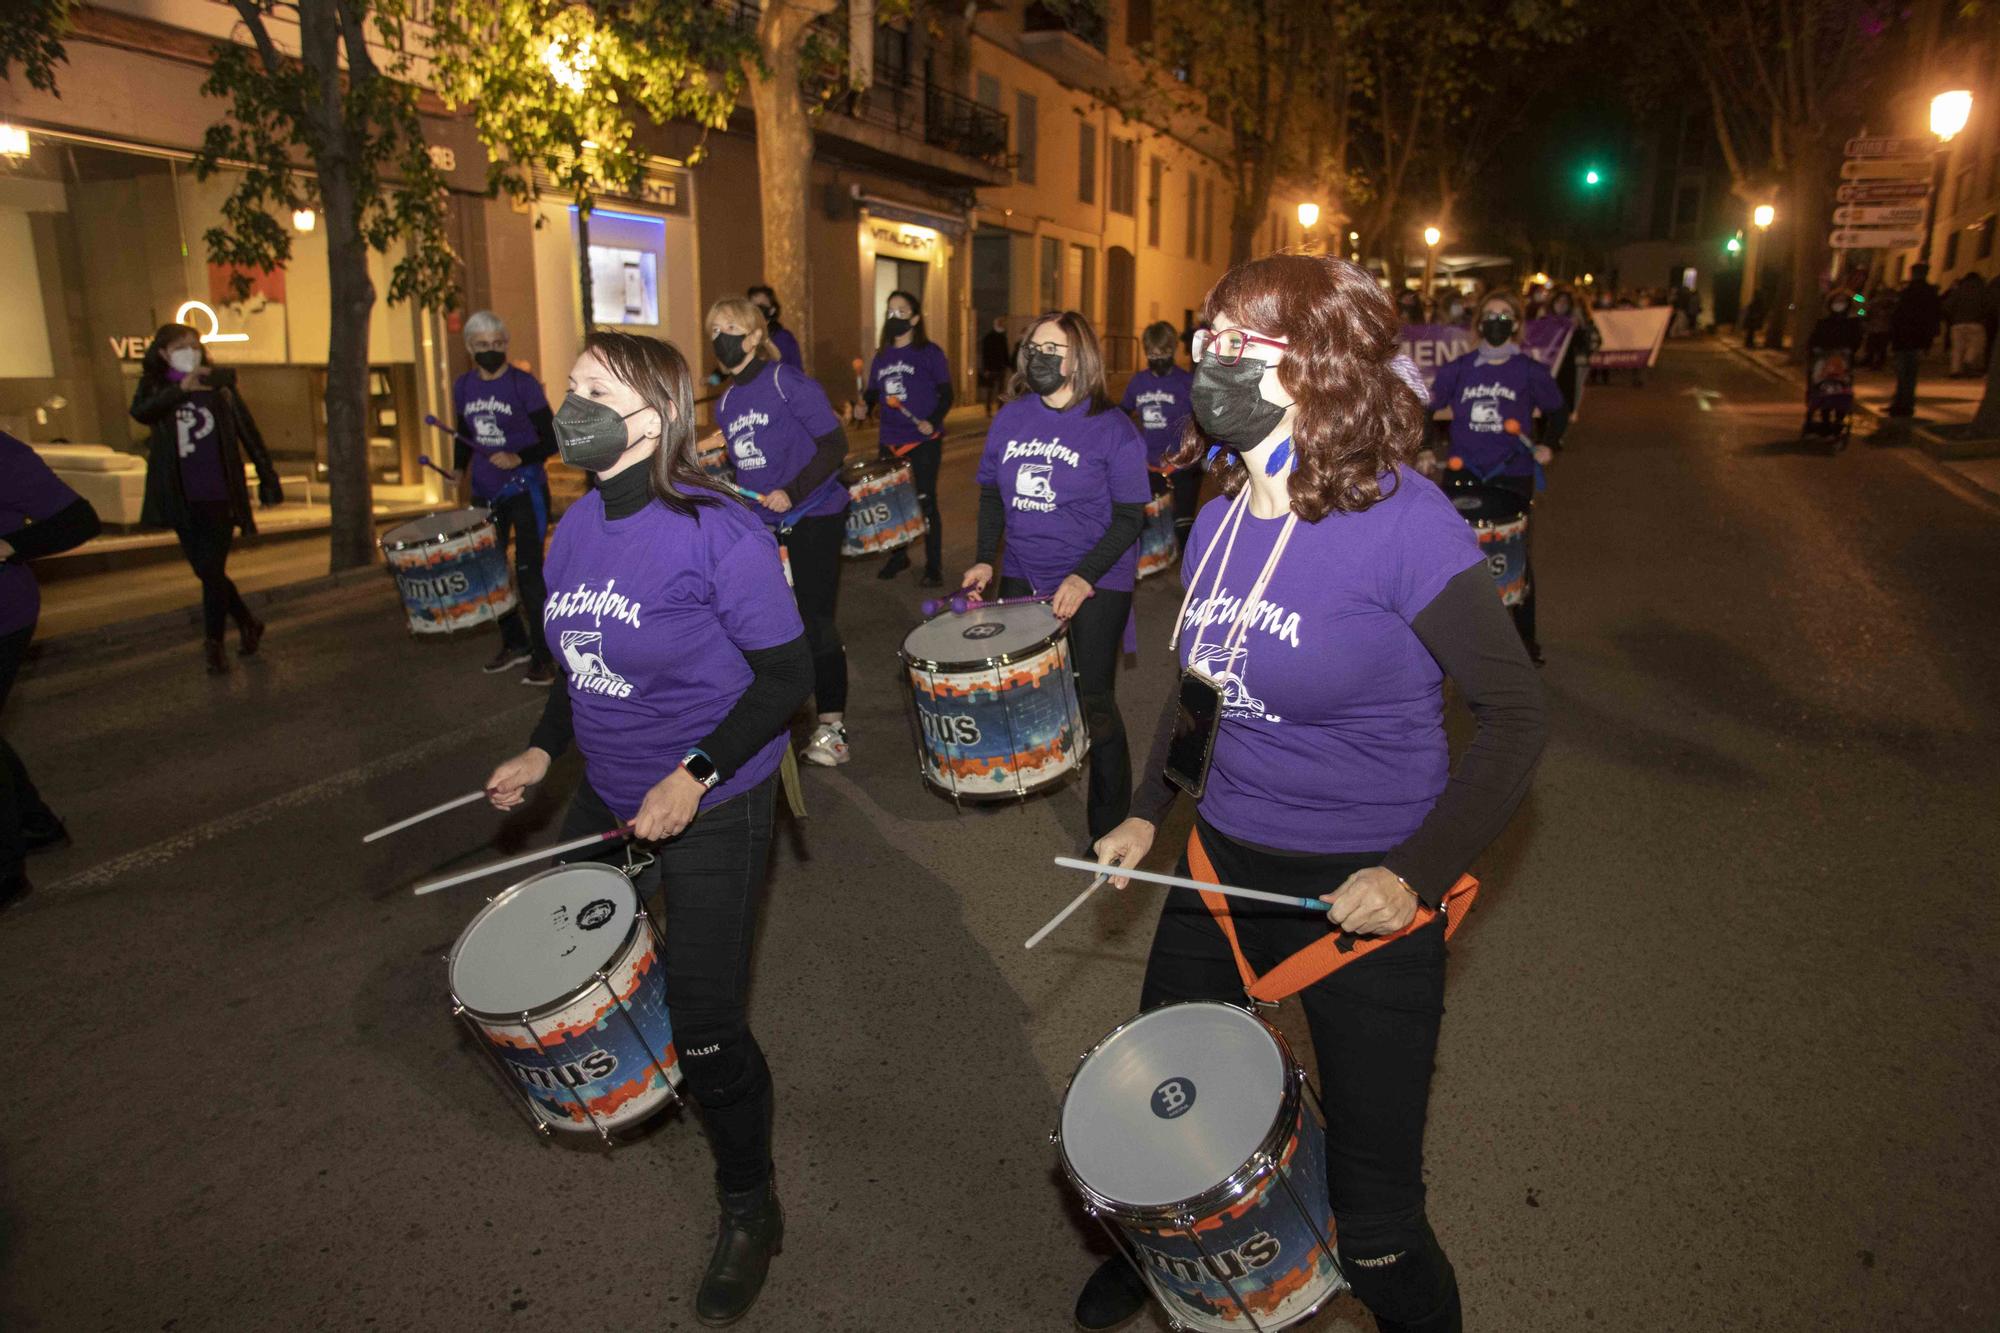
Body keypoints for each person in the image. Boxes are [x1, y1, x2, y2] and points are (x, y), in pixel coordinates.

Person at [1073, 253, 1547, 1333]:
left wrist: (1414, 875)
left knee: (1378, 1231)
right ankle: (1151, 1252)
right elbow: (1200, 685)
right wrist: (1148, 807)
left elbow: (1517, 716)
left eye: (1236, 345)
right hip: (1219, 864)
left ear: (1317, 368)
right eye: (1205, 341)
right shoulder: (1215, 518)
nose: (1208, 363)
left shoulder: (1405, 521)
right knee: (1167, 1114)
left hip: (1364, 890)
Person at [484, 329, 812, 1327]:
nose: (568, 404)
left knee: (707, 1030)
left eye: (593, 389)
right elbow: (579, 659)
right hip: (609, 791)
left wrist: (695, 773)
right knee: (564, 956)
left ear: (653, 415)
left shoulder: (720, 530)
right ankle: (667, 1061)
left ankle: (750, 1205)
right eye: (570, 384)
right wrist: (541, 751)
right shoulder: (575, 525)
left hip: (713, 796)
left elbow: (786, 678)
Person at [961, 309, 1148, 842]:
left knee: (1093, 701)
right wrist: (985, 558)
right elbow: (992, 493)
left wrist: (1083, 577)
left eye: (1051, 350)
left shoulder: (1113, 429)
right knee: (1017, 684)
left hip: (1097, 578)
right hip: (1024, 568)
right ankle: (1016, 773)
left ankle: (1109, 827)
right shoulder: (1011, 417)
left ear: (1079, 358)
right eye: (1033, 349)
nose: (1037, 358)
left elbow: (1130, 516)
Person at [708, 295, 854, 767]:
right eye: (713, 332)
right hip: (765, 525)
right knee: (767, 625)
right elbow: (747, 466)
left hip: (815, 514)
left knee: (815, 621)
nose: (720, 339)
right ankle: (775, 719)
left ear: (754, 336)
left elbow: (834, 445)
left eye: (729, 329)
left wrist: (791, 491)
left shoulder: (785, 381)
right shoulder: (726, 402)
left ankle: (833, 730)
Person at [1423, 291, 1566, 665]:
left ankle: (1524, 644)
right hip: (1463, 474)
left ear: (1516, 323)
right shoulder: (1460, 368)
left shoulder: (1529, 371)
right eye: (1489, 315)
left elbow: (1558, 411)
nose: (1496, 321)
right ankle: (1453, 641)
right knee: (1455, 559)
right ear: (1479, 323)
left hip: (1512, 475)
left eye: (1504, 315)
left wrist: (1549, 445)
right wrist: (1425, 448)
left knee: (1514, 557)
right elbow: (1427, 408)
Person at [131, 323, 283, 675]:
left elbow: (249, 433)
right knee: (206, 571)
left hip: (219, 493)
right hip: (182, 497)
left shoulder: (220, 387)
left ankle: (213, 645)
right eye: (180, 347)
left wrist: (268, 478)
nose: (190, 352)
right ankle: (247, 622)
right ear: (163, 353)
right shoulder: (157, 388)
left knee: (212, 570)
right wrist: (180, 389)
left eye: (195, 345)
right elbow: (140, 412)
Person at [0, 432, 102, 909]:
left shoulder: (5, 454)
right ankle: (35, 823)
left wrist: (7, 545)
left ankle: (6, 871)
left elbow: (78, 520)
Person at [453, 311, 558, 686]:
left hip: (525, 489)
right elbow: (464, 432)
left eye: (498, 344)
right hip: (485, 492)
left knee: (528, 573)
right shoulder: (464, 386)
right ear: (469, 348)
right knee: (490, 574)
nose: (491, 350)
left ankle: (545, 656)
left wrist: (519, 457)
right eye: (483, 345)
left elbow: (552, 438)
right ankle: (515, 643)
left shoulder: (523, 384)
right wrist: (458, 469)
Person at [862, 290, 951, 586]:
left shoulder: (930, 353)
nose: (894, 316)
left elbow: (947, 394)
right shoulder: (882, 356)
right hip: (890, 438)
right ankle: (899, 555)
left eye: (901, 311)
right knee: (893, 502)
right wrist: (864, 407)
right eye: (890, 311)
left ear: (914, 319)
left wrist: (932, 421)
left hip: (923, 440)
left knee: (925, 500)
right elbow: (872, 393)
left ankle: (934, 566)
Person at [1120, 320, 1199, 547]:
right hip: (1149, 466)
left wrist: (1179, 462)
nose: (1159, 359)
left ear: (1173, 350)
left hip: (1182, 466)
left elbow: (1200, 427)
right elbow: (1121, 417)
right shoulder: (1138, 382)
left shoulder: (1186, 383)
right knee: (1151, 530)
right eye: (1153, 354)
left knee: (1182, 529)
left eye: (1164, 353)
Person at [1888, 262, 1943, 417]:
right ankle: (1904, 404)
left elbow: (1897, 316)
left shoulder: (1907, 293)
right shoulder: (1930, 294)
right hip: (1918, 339)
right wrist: (1928, 341)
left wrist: (1893, 337)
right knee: (1910, 374)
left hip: (1904, 338)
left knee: (1903, 374)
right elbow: (1934, 317)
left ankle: (1901, 404)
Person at [747, 285, 804, 372]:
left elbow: (795, 370)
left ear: (772, 310)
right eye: (753, 307)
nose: (756, 311)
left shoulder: (783, 338)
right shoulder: (745, 336)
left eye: (761, 307)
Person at [1944, 272, 1988, 376]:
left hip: (1957, 324)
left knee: (1957, 348)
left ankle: (1955, 370)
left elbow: (1947, 306)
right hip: (1976, 323)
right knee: (1976, 345)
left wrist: (1952, 317)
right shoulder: (1982, 291)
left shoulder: (1958, 291)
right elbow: (1988, 306)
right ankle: (1968, 361)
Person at [979, 316, 1011, 416]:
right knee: (990, 390)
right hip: (992, 368)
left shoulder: (1002, 337)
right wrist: (986, 368)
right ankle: (988, 409)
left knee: (1000, 390)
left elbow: (1005, 352)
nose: (1003, 325)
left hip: (1000, 367)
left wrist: (1008, 364)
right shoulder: (989, 337)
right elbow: (985, 354)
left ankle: (1000, 409)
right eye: (1001, 323)